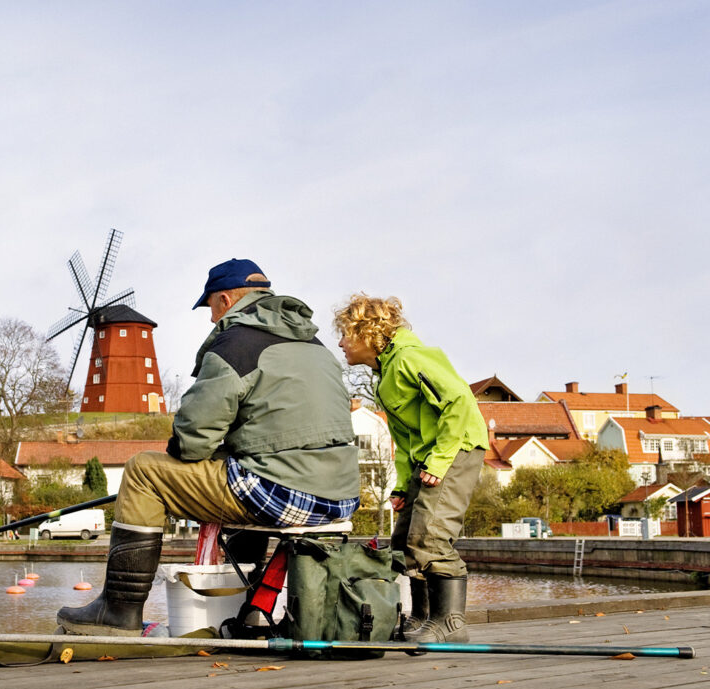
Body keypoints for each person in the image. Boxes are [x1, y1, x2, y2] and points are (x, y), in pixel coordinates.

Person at [57, 258, 361, 636]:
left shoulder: (236, 344)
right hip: (341, 495)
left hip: (283, 491)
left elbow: (192, 439)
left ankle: (118, 611)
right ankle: (249, 609)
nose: (210, 319)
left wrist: (185, 452)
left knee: (143, 471)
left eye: (210, 309)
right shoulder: (316, 346)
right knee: (240, 472)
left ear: (224, 300)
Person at [333, 294, 488, 643]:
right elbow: (402, 437)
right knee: (404, 542)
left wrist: (439, 459)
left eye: (346, 334)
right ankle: (421, 618)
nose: (341, 343)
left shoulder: (410, 357)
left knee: (430, 536)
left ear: (368, 333)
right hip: (426, 457)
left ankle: (451, 624)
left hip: (455, 450)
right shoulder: (384, 374)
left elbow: (459, 400)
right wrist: (402, 485)